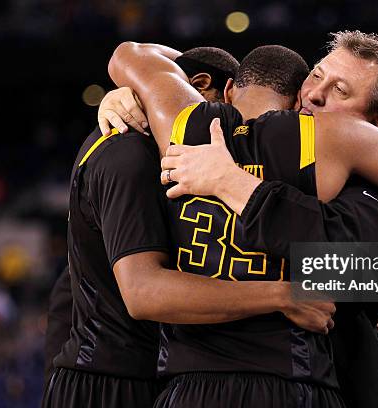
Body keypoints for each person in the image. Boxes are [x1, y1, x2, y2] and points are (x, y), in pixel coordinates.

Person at [105, 37, 378, 406]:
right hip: (292, 383)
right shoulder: (338, 139)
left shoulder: (184, 129)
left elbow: (131, 53)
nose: (315, 94)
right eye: (316, 76)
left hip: (221, 385)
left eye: (340, 90)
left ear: (374, 123)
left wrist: (234, 183)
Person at [42, 46, 336, 408]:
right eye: (222, 116)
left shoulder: (167, 157)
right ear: (205, 89)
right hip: (109, 380)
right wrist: (281, 295)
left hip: (159, 376)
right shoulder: (128, 153)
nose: (236, 139)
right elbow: (142, 291)